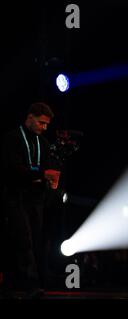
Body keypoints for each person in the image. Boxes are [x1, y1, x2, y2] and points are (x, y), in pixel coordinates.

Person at [1, 102, 60, 298]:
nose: (44, 127)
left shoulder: (43, 143)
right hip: (16, 197)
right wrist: (39, 175)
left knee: (33, 241)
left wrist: (49, 179)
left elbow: (46, 170)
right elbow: (12, 170)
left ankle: (20, 282)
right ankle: (30, 284)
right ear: (30, 117)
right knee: (23, 239)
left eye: (46, 125)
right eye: (41, 123)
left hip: (36, 199)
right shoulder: (12, 138)